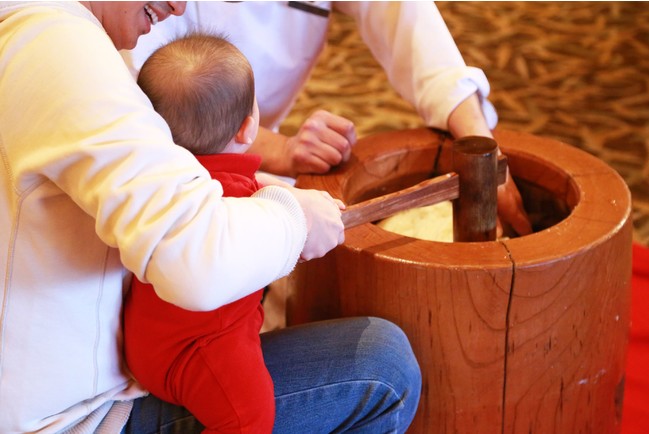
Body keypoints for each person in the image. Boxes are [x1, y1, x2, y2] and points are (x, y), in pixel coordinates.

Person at [0, 2, 421, 433]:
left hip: (124, 362)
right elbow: (194, 264)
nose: (180, 6)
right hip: (75, 418)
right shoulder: (59, 50)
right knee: (383, 371)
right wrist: (295, 218)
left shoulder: (65, 35)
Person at [123, 1, 533, 236]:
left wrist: (482, 147)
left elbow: (407, 21)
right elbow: (157, 108)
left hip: (253, 139)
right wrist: (282, 150)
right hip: (178, 172)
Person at [125, 32, 282, 433]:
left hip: (145, 341)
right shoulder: (239, 200)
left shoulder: (154, 181)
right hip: (201, 352)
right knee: (252, 417)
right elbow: (278, 244)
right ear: (248, 129)